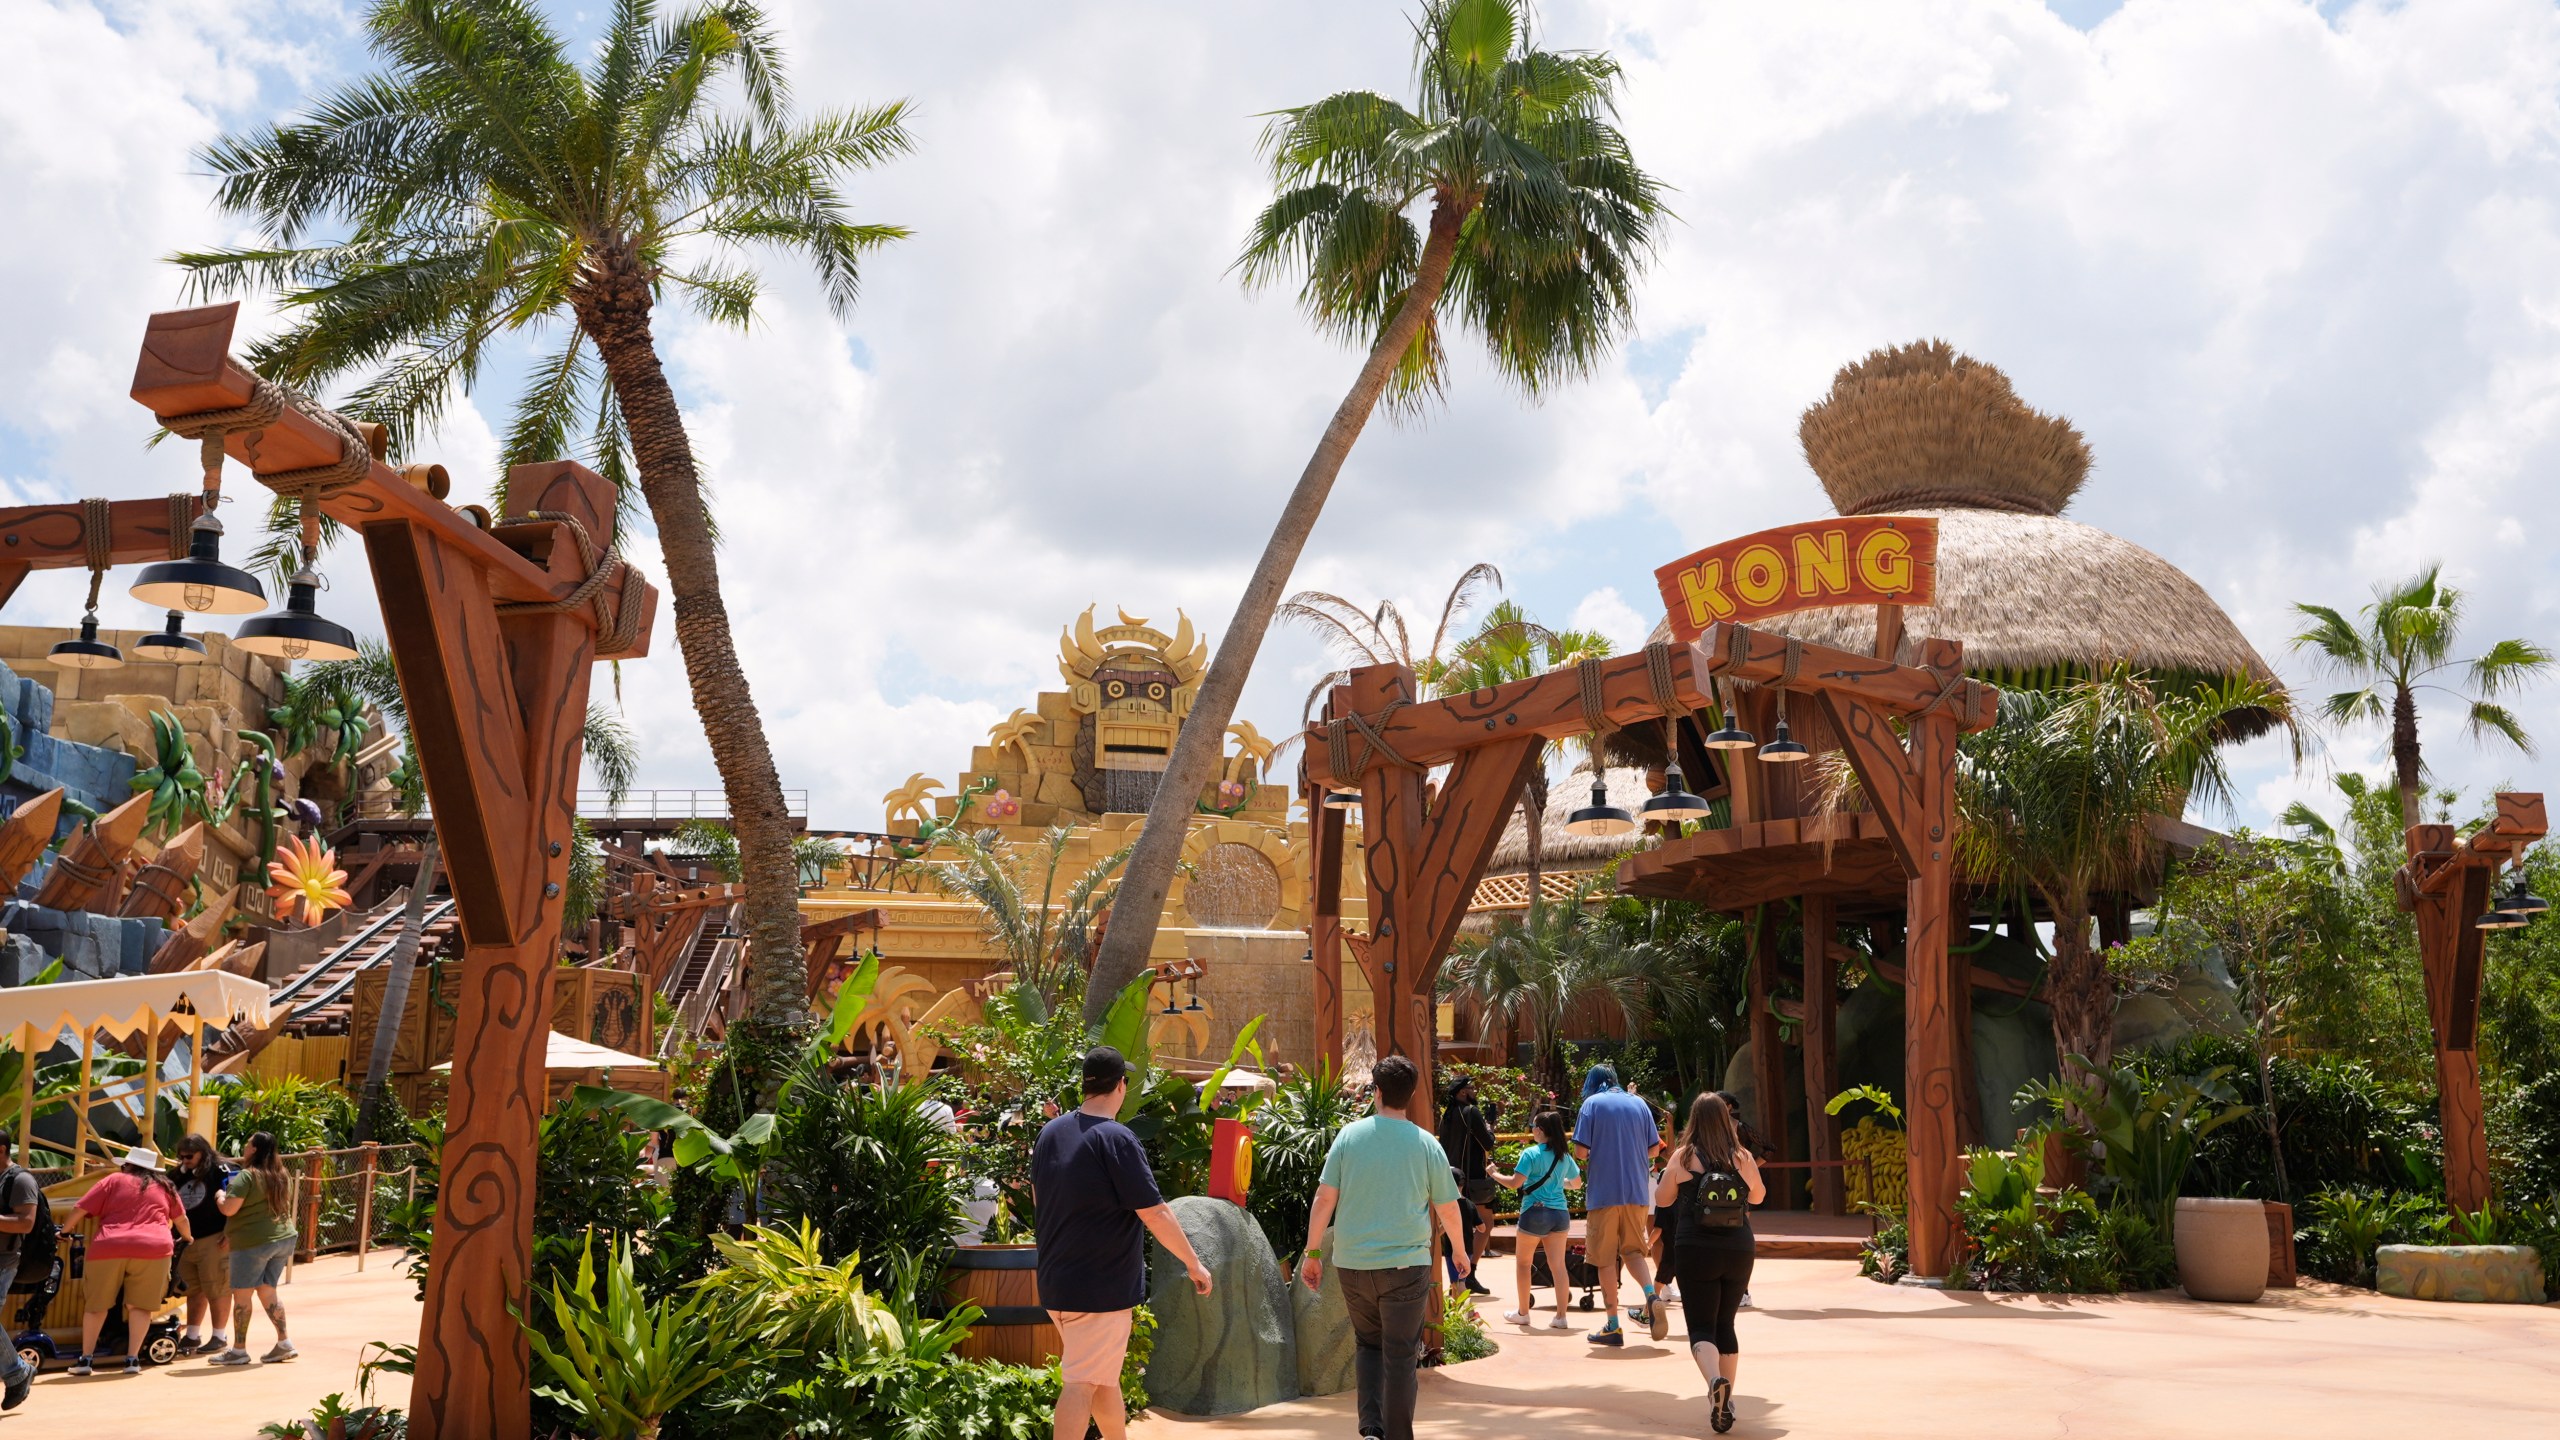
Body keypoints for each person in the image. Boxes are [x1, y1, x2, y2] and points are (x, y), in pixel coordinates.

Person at [1032, 1047, 1212, 1440]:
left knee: (1101, 1378)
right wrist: (1193, 1263)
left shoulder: (1050, 1133)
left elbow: (1038, 1200)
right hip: (1099, 1290)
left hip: (1057, 1284)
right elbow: (1155, 1213)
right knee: (1081, 1382)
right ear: (1120, 1086)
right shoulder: (1117, 1138)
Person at [1298, 1054, 1464, 1440]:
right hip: (1406, 1268)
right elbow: (1448, 1207)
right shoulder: (1426, 1144)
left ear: (1377, 1091)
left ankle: (1371, 1430)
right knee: (1401, 1355)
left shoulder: (1349, 1137)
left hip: (1354, 1266)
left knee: (1368, 1345)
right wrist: (1458, 1250)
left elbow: (1324, 1199)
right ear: (1412, 1094)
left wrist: (1313, 1253)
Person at [1654, 1092, 1766, 1435]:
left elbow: (1662, 1199)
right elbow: (1759, 1196)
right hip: (1738, 1248)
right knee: (1725, 1324)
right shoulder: (1741, 1156)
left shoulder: (1683, 1156)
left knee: (1701, 1327)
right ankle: (1727, 1403)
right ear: (1724, 1119)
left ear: (1694, 1120)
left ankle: (1715, 1381)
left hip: (1694, 1248)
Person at [72, 1143, 188, 1375]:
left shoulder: (113, 1180)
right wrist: (188, 1237)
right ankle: (132, 1360)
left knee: (96, 1306)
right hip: (154, 1248)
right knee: (140, 1306)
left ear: (127, 1165)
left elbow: (80, 1208)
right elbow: (181, 1218)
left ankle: (85, 1360)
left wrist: (64, 1232)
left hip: (109, 1245)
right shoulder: (165, 1186)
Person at [1572, 1064, 1664, 1346]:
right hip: (1637, 1193)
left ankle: (1612, 1325)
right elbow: (1654, 1147)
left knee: (1605, 1259)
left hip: (1604, 1194)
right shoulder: (1639, 1104)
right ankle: (1651, 1295)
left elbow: (1580, 1151)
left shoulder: (1592, 1104)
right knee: (1634, 1252)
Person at [214, 1131, 299, 1365]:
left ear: (254, 1149)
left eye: (248, 1144)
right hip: (282, 1238)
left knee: (242, 1295)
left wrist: (220, 1196)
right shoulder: (282, 1175)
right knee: (267, 1290)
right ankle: (284, 1343)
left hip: (252, 1243)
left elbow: (229, 1209)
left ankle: (239, 1350)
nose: (245, 1147)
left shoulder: (247, 1176)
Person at [1494, 1107, 1580, 1328]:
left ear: (1540, 1130)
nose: (1532, 1129)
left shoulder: (1530, 1153)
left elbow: (1515, 1183)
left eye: (1533, 1126)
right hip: (1560, 1214)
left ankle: (1523, 1313)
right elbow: (1577, 1184)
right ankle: (1561, 1317)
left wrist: (1493, 1173)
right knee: (1558, 1266)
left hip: (1534, 1211)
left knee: (1523, 1263)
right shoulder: (1564, 1156)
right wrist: (1559, 1185)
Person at [171, 1135, 236, 1356]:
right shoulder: (180, 1173)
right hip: (188, 1240)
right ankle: (192, 1335)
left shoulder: (222, 1170)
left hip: (215, 1237)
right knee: (193, 1289)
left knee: (217, 1287)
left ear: (203, 1153)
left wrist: (230, 1231)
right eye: (181, 1157)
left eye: (189, 1156)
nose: (184, 1161)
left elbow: (239, 1200)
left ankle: (219, 1336)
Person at [1435, 1075, 1498, 1296]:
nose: (1475, 1092)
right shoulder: (1471, 1112)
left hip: (1451, 1180)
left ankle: (1458, 1279)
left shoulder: (1447, 1117)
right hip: (1473, 1179)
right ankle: (1469, 1273)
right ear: (1462, 1092)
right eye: (1472, 1088)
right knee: (1485, 1224)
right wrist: (1490, 1127)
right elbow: (1488, 1142)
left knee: (1453, 1230)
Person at [0, 1130, 45, 1408]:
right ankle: (17, 1372)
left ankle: (18, 1372)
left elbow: (25, 1222)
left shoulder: (21, 1180)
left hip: (4, 1260)